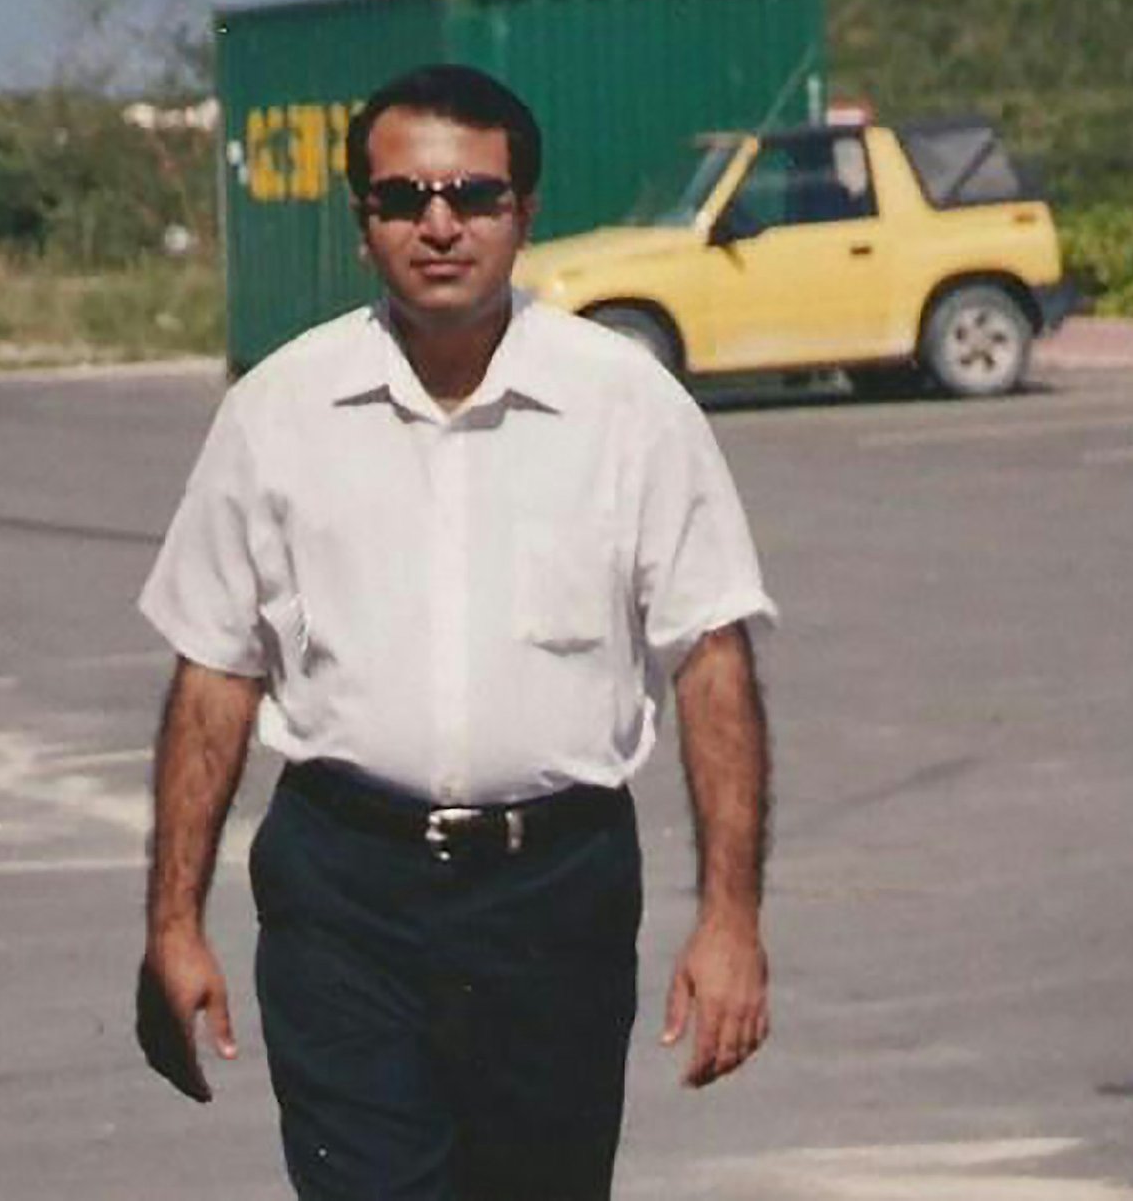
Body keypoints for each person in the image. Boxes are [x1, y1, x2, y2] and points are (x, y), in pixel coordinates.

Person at [135, 63, 775, 1200]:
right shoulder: (277, 411)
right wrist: (172, 921)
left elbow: (710, 659)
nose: (440, 223)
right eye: (402, 197)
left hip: (554, 895)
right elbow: (215, 673)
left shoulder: (627, 408)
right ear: (362, 221)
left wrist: (729, 917)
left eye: (474, 195)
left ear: (524, 213)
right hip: (345, 895)